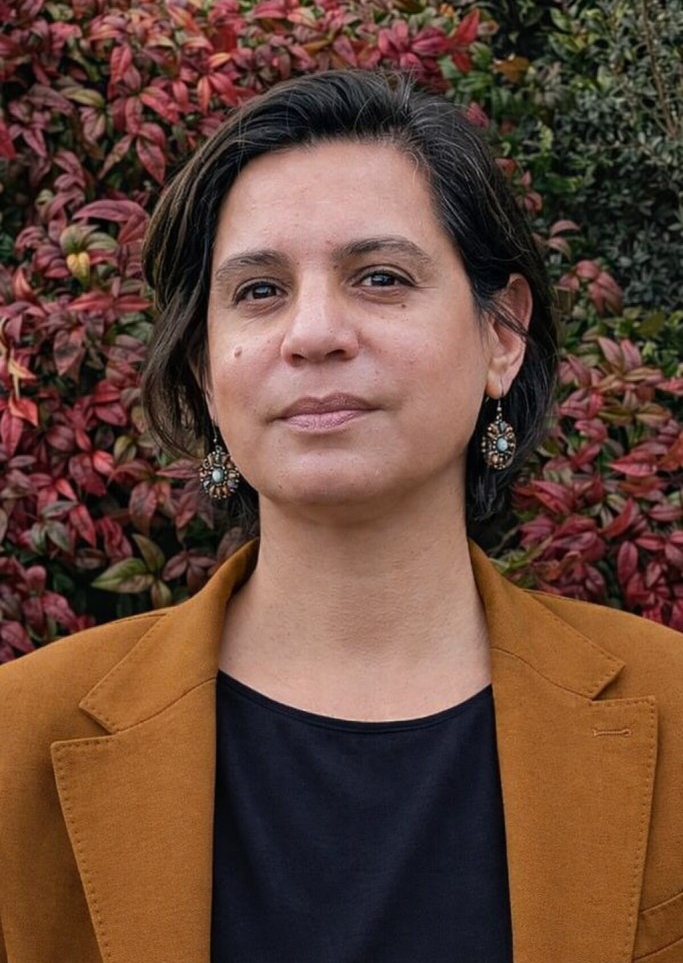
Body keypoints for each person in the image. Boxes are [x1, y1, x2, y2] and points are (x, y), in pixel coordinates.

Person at [0, 70, 682, 963]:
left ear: (501, 336)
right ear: (205, 368)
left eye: (381, 277)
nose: (313, 332)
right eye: (258, 291)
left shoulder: (670, 708)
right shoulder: (21, 737)